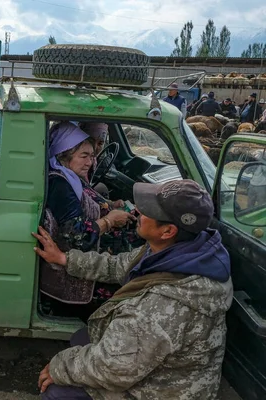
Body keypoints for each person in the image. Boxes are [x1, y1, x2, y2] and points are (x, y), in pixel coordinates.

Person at [33, 179, 233, 400]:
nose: (138, 211)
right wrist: (64, 258)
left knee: (56, 392)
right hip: (158, 369)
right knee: (83, 338)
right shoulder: (181, 252)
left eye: (148, 211)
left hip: (164, 392)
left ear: (167, 231)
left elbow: (114, 368)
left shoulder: (163, 304)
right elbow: (117, 266)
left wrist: (59, 367)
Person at [45, 122, 138, 256]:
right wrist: (109, 221)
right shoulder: (60, 185)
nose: (89, 162)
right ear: (63, 156)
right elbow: (77, 237)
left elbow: (87, 198)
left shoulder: (72, 177)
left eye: (91, 156)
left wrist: (110, 205)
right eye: (84, 156)